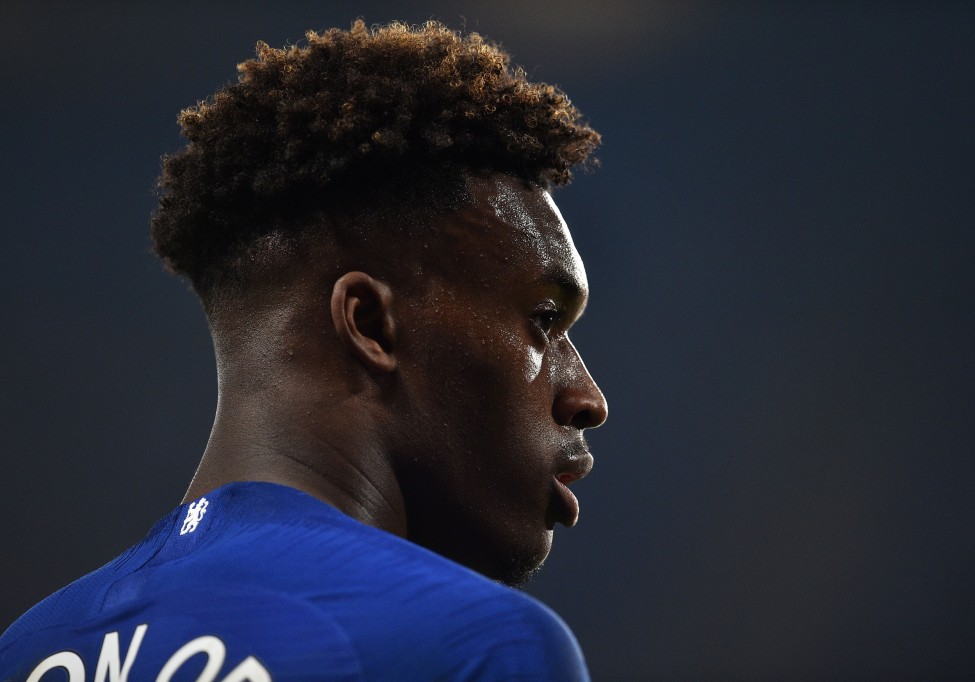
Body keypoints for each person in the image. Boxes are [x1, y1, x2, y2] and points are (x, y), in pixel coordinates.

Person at [0, 19, 608, 681]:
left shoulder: (33, 646)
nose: (588, 398)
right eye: (545, 321)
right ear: (371, 324)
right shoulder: (470, 644)